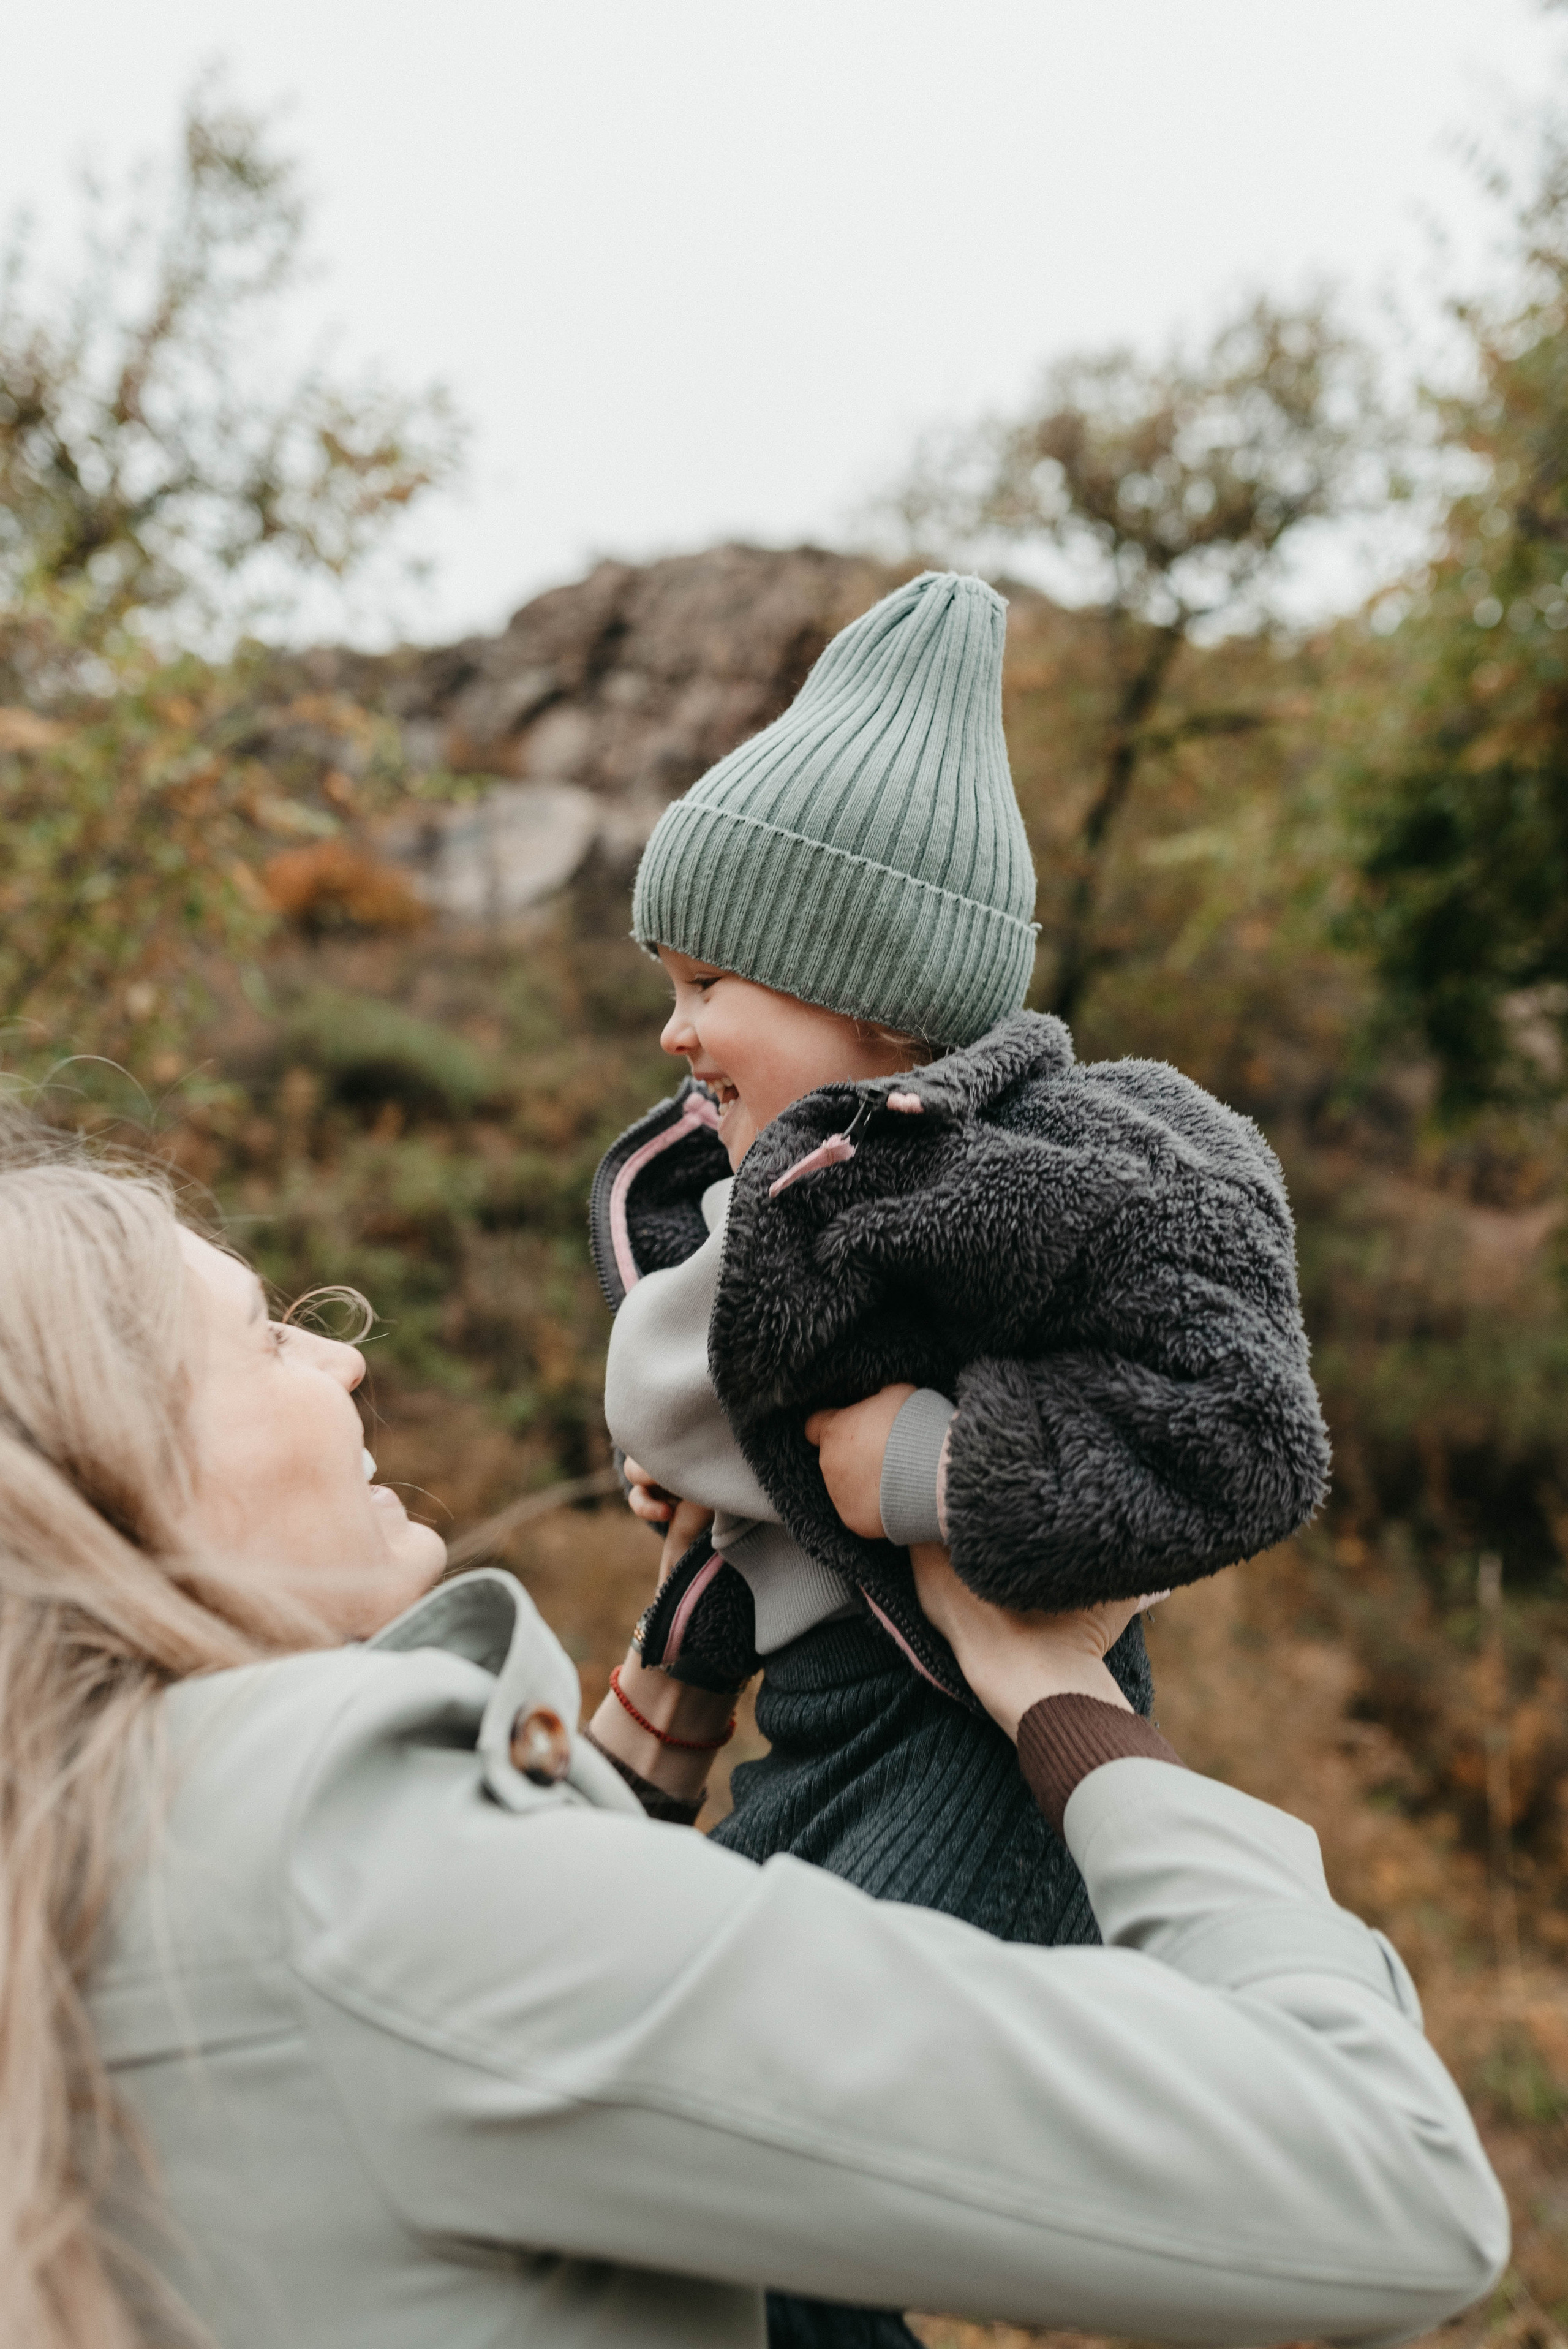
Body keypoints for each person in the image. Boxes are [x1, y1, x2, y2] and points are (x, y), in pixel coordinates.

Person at [0, 1109, 1507, 2348]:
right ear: (112, 1467)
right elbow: (1380, 2180)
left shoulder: (87, 1849)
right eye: (267, 1339)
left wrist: (651, 1725)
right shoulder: (340, 1870)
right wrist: (1070, 1709)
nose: (343, 1358)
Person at [592, 572, 1332, 2340]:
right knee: (683, 2144)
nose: (674, 1032)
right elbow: (743, 1421)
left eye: (710, 982)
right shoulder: (764, 1181)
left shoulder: (1066, 1168)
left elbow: (1246, 1435)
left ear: (876, 995)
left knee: (800, 2179)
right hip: (811, 1734)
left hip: (977, 1754)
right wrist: (723, 1486)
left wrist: (936, 1462)